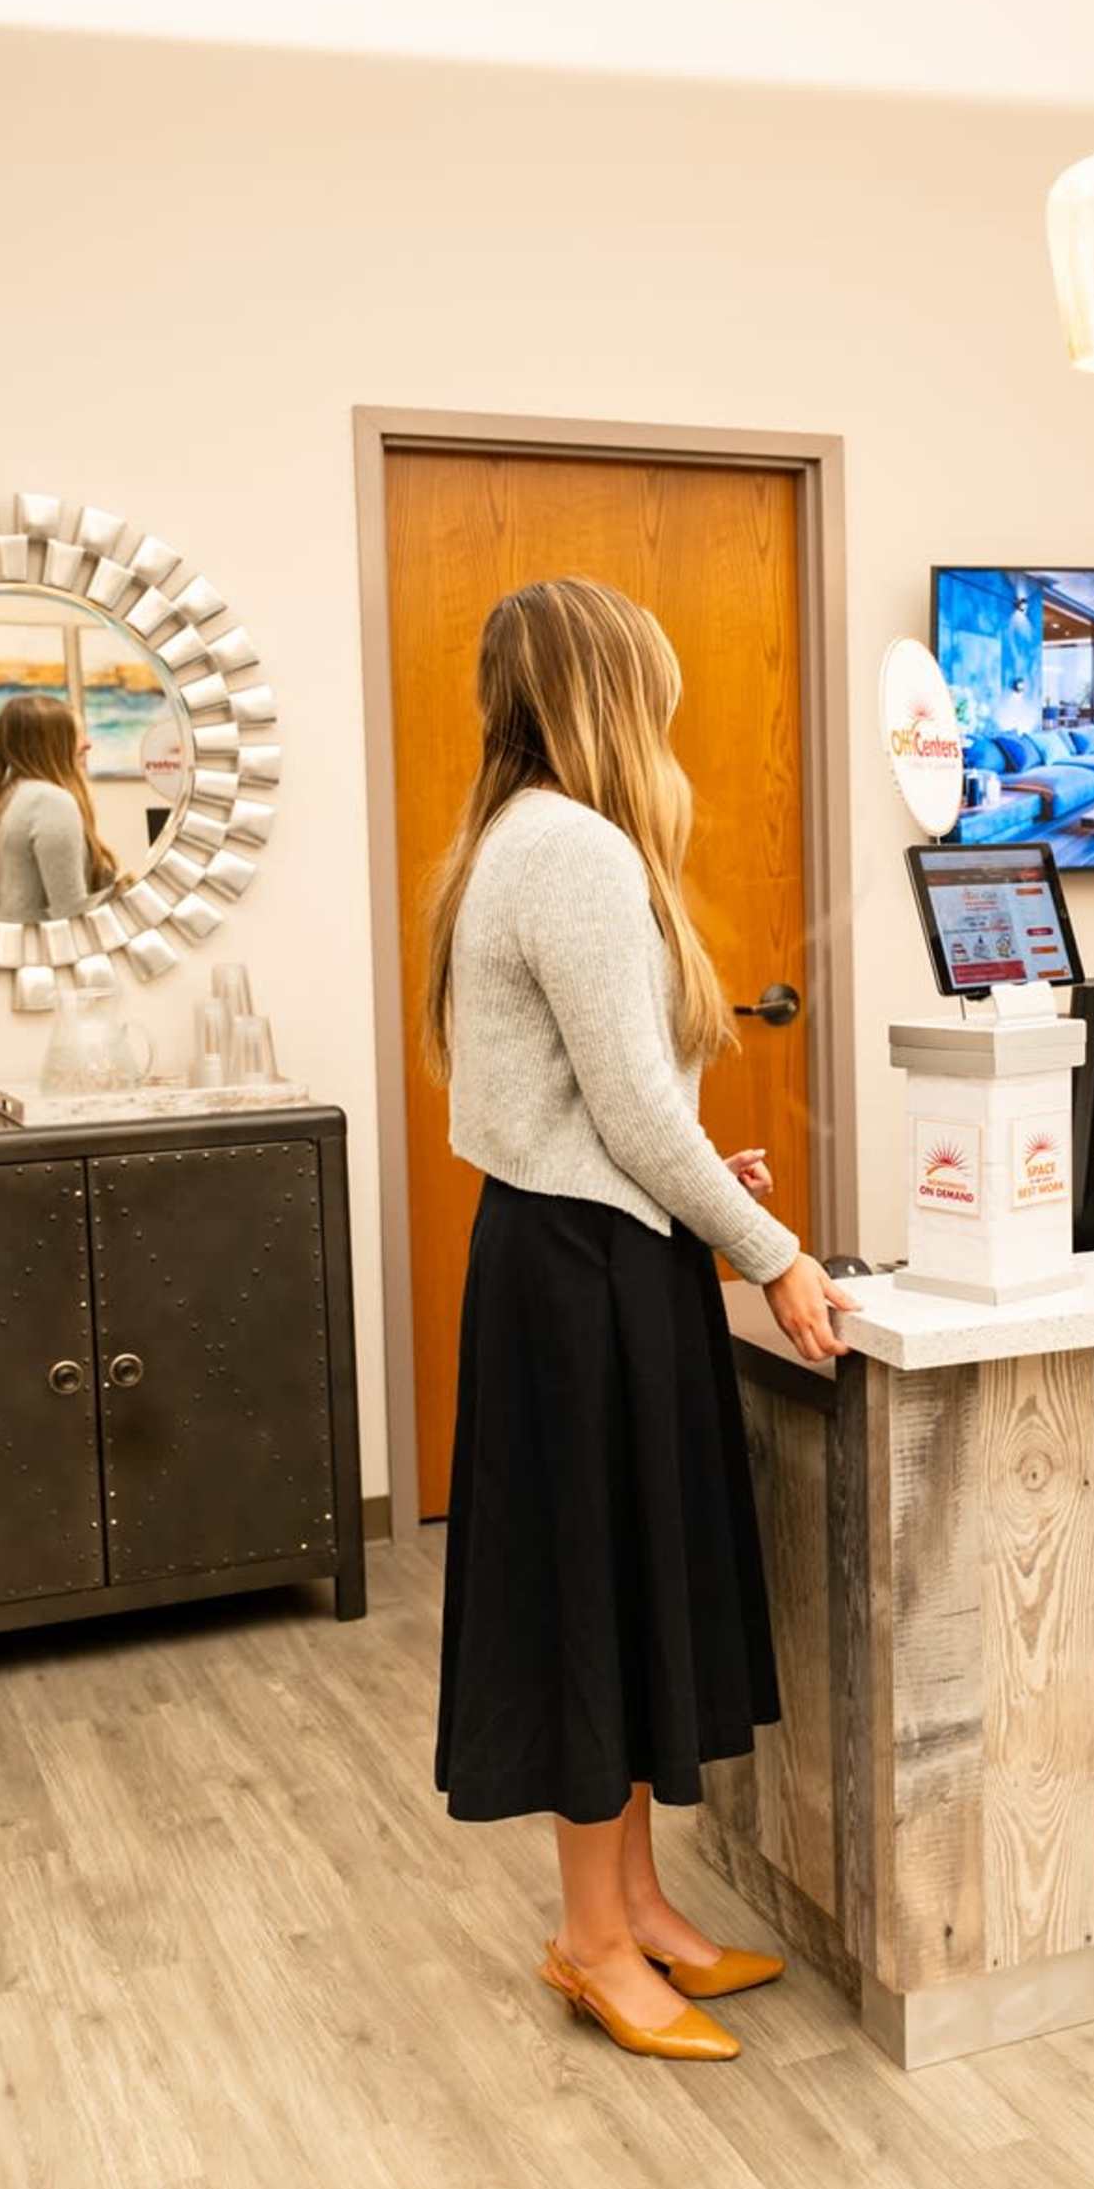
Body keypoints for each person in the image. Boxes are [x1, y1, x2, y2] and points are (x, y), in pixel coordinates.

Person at [416, 574, 857, 2066]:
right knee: (592, 1611)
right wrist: (774, 1250)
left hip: (579, 1250)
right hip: (583, 1281)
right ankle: (594, 1944)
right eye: (655, 690)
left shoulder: (516, 842)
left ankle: (641, 1911)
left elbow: (605, 1108)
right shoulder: (579, 853)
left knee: (604, 1594)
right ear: (613, 694)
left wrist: (686, 1178)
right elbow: (624, 1109)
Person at [0, 693, 126, 922]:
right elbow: (72, 917)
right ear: (52, 743)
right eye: (77, 734)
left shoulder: (8, 797)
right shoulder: (50, 801)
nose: (88, 744)